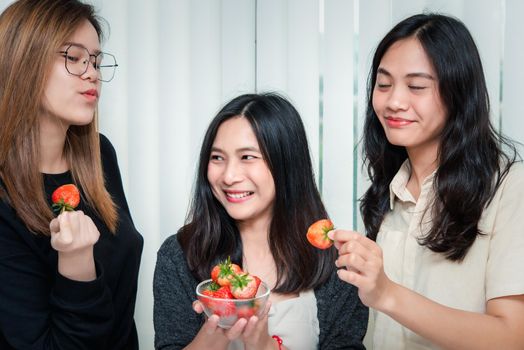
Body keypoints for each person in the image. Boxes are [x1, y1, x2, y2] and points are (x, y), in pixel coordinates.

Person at [329, 13, 524, 349]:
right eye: (384, 83)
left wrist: (387, 294)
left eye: (416, 86)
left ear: (458, 93)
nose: (394, 102)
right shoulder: (388, 191)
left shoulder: (509, 187)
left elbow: (512, 336)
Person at [154, 93, 368, 350]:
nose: (229, 176)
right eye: (217, 158)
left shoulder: (337, 263)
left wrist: (265, 346)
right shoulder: (179, 254)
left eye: (247, 157)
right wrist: (215, 334)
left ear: (286, 164)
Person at [0, 0, 143, 349]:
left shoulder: (100, 154)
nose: (92, 72)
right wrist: (77, 263)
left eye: (94, 59)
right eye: (74, 57)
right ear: (24, 61)